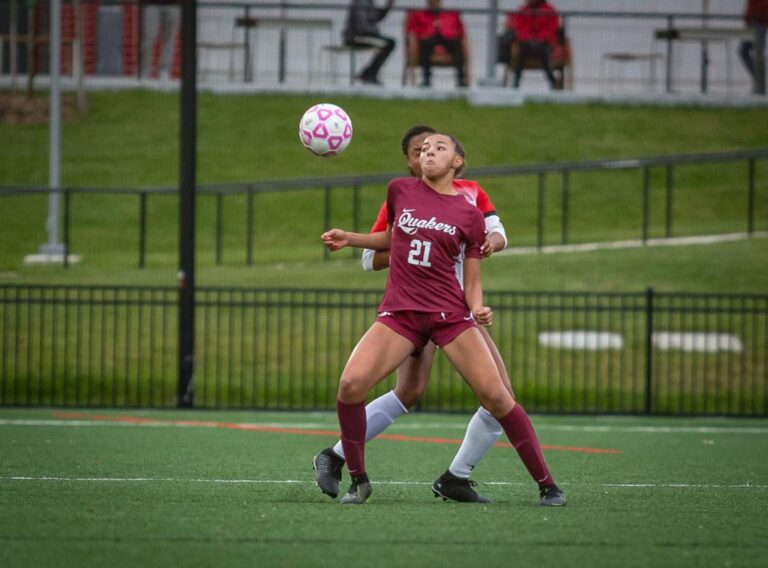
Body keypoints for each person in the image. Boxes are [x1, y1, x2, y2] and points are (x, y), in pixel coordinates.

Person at [320, 133, 566, 506]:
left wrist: (478, 307)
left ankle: (548, 486)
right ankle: (358, 480)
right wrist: (350, 239)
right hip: (401, 313)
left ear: (457, 161)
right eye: (423, 150)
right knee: (351, 385)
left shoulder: (469, 212)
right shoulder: (399, 190)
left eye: (439, 147)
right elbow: (391, 237)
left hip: (449, 316)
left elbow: (474, 273)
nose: (428, 152)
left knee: (498, 396)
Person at [406, 0, 467, 87]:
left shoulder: (449, 14)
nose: (434, 3)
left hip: (446, 36)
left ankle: (461, 79)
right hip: (428, 37)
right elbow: (412, 31)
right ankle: (426, 79)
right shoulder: (419, 14)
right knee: (426, 44)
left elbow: (460, 30)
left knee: (457, 43)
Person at [507, 0, 560, 89]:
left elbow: (551, 29)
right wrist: (528, 38)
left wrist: (539, 39)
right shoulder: (522, 10)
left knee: (543, 52)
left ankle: (552, 81)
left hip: (543, 44)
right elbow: (520, 28)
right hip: (526, 43)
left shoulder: (550, 11)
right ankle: (516, 82)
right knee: (521, 51)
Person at [343, 0, 397, 86]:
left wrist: (388, 6)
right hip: (356, 37)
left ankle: (368, 74)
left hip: (364, 35)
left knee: (389, 43)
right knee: (388, 44)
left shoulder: (368, 2)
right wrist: (374, 34)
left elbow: (375, 17)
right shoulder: (361, 2)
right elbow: (361, 26)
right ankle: (368, 74)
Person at [141, 0, 181, 80]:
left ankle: (164, 70)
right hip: (151, 4)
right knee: (149, 37)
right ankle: (144, 70)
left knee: (169, 39)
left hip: (174, 4)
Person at [739, 0, 768, 94]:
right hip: (751, 25)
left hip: (760, 26)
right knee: (744, 52)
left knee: (758, 56)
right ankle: (758, 81)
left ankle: (760, 86)